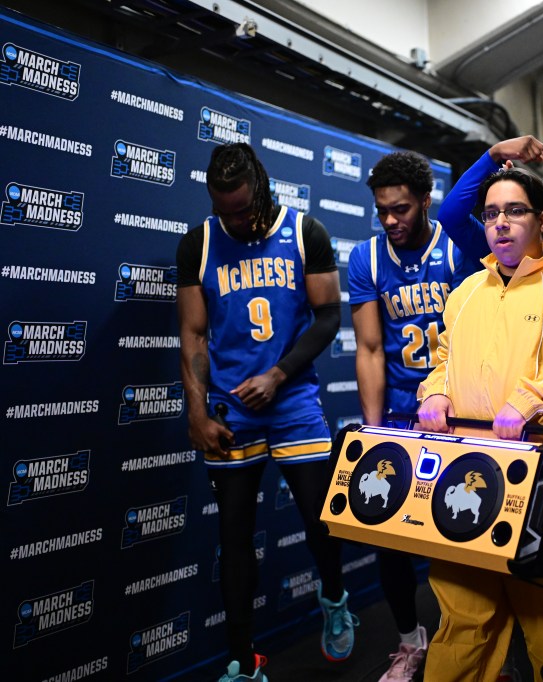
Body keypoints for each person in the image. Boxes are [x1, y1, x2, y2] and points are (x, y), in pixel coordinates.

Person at [417, 166, 543, 681]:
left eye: (515, 211)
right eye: (491, 214)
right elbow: (443, 360)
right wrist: (436, 391)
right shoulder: (464, 294)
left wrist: (534, 399)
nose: (501, 224)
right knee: (462, 628)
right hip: (464, 481)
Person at [176, 142, 354, 682]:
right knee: (234, 534)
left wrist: (278, 375)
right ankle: (241, 658)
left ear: (261, 186)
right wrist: (197, 412)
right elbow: (192, 334)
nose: (231, 217)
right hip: (232, 409)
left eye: (240, 206)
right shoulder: (200, 243)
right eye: (221, 207)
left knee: (318, 520)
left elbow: (327, 317)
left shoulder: (305, 233)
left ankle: (333, 598)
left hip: (292, 399)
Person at [348, 150, 477, 680]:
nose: (391, 220)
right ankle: (409, 640)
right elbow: (370, 348)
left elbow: (476, 335)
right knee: (387, 536)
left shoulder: (455, 248)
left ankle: (468, 642)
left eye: (401, 209)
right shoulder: (368, 258)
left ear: (426, 202)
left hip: (459, 410)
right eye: (382, 211)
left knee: (462, 534)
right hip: (401, 412)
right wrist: (374, 428)